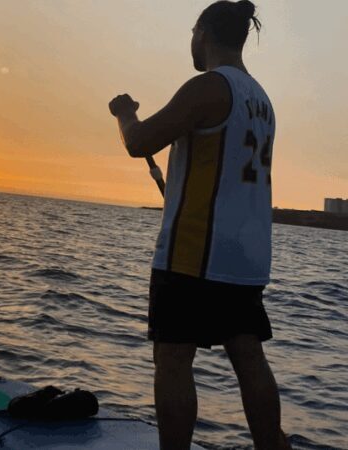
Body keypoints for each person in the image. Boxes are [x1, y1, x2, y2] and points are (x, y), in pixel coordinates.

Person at [107, 1, 292, 449]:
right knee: (249, 355)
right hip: (245, 257)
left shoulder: (208, 87)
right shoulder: (262, 99)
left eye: (193, 34)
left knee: (172, 361)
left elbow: (139, 142)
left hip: (194, 252)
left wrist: (124, 113)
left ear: (203, 34)